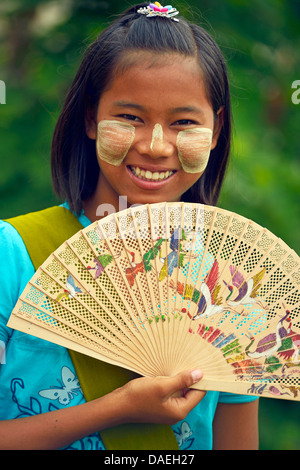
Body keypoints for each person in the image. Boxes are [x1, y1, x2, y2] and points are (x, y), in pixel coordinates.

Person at [0, 3, 259, 450]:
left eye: (184, 122)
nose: (156, 146)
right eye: (130, 118)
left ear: (215, 132)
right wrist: (118, 408)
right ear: (90, 118)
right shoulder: (12, 256)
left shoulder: (233, 286)